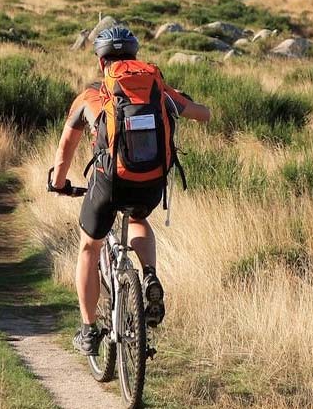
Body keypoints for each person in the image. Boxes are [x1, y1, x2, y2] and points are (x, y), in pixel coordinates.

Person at [48, 26, 211, 356]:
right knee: (138, 218)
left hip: (110, 184)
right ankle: (149, 276)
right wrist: (179, 101)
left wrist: (59, 181)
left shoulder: (91, 96)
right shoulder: (157, 91)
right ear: (134, 56)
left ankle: (89, 330)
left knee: (89, 248)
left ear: (100, 61)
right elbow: (203, 115)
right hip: (150, 182)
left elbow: (67, 145)